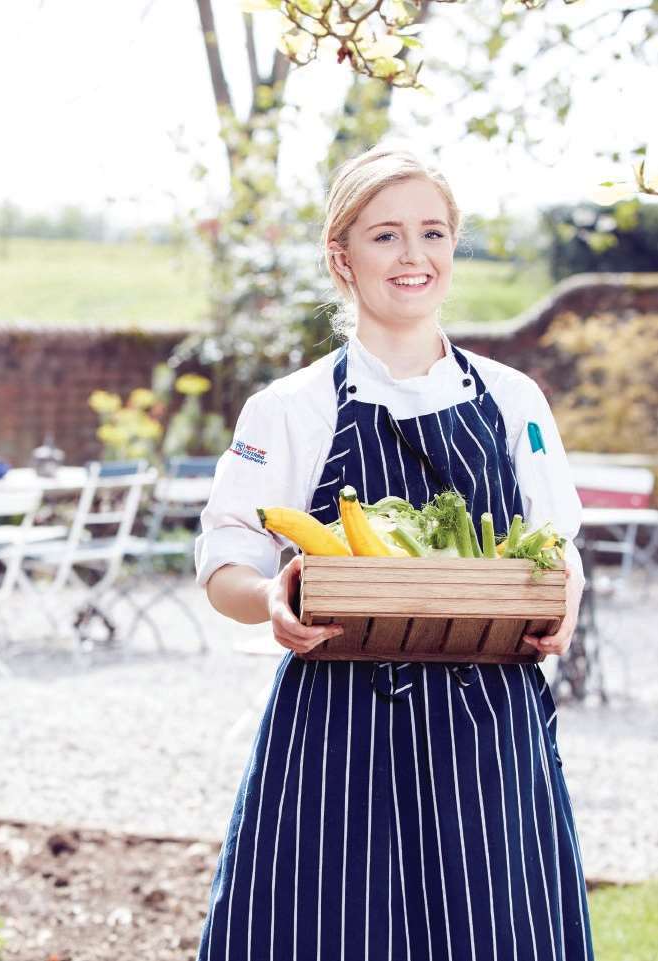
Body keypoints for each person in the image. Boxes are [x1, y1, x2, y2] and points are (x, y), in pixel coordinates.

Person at [192, 143, 594, 960]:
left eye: (433, 233)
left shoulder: (513, 400)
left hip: (488, 723)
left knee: (496, 932)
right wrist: (269, 599)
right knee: (324, 931)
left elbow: (558, 548)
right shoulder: (292, 406)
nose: (413, 256)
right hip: (336, 723)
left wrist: (568, 595)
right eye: (385, 236)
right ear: (341, 258)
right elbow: (223, 555)